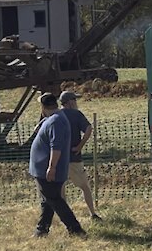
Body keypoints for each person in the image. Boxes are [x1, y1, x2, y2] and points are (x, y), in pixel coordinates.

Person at [28, 93, 85, 238]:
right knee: (48, 199)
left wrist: (51, 167)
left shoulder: (56, 122)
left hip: (50, 170)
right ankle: (42, 230)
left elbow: (56, 147)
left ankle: (76, 229)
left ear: (43, 107)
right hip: (44, 169)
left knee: (54, 200)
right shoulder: (53, 119)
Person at [58, 91, 100, 220]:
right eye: (75, 100)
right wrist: (80, 146)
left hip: (58, 158)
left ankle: (64, 217)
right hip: (74, 157)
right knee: (85, 187)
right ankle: (92, 213)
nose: (76, 103)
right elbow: (88, 128)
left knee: (60, 189)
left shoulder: (56, 115)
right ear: (70, 102)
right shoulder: (76, 114)